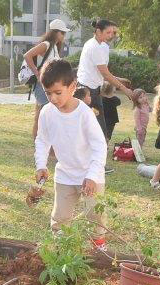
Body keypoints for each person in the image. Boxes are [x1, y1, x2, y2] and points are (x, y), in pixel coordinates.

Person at [33, 60, 107, 247]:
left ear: (72, 87)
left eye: (58, 93)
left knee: (95, 215)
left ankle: (99, 247)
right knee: (60, 218)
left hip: (90, 176)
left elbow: (99, 146)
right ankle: (60, 248)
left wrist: (92, 176)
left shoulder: (84, 114)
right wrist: (41, 165)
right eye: (48, 93)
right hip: (65, 175)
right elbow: (42, 141)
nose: (53, 98)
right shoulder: (47, 113)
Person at [76, 18, 134, 143]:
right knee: (96, 129)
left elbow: (103, 72)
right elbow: (105, 74)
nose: (112, 35)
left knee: (98, 128)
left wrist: (118, 79)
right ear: (98, 31)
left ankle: (95, 155)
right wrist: (125, 90)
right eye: (108, 32)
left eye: (113, 32)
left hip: (94, 90)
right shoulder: (94, 47)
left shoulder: (102, 46)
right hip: (87, 90)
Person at [23, 19, 72, 136]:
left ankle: (40, 142)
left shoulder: (54, 47)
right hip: (41, 84)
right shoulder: (46, 44)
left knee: (40, 114)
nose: (64, 36)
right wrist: (37, 73)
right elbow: (27, 55)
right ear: (56, 32)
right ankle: (42, 142)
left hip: (49, 85)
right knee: (45, 113)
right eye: (63, 33)